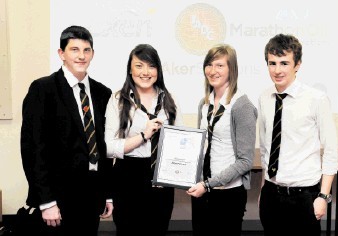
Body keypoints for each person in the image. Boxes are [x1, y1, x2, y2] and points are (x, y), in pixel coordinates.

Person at [20, 25, 113, 236]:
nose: (81, 56)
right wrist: (45, 201)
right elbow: (33, 149)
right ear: (61, 53)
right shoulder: (43, 90)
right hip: (57, 200)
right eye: (74, 50)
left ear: (92, 54)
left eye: (86, 50)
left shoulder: (102, 93)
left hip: (92, 197)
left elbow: (104, 147)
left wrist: (107, 195)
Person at [258, 33, 338, 236]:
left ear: (298, 64)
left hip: (304, 198)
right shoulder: (264, 97)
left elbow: (331, 151)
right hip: (271, 194)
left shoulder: (316, 99)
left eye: (284, 63)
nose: (277, 70)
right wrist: (263, 189)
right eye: (272, 63)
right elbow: (266, 149)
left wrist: (323, 196)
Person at [104, 44, 183, 236]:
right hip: (128, 176)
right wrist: (142, 136)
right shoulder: (118, 100)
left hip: (161, 179)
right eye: (139, 66)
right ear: (130, 70)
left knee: (158, 233)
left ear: (158, 70)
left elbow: (181, 142)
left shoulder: (169, 100)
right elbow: (108, 147)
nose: (145, 72)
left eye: (151, 66)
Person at [186, 44, 258, 236]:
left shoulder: (241, 105)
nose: (212, 70)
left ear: (231, 69)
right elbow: (201, 146)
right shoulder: (205, 103)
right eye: (209, 65)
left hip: (228, 194)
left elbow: (245, 161)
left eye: (219, 65)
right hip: (203, 190)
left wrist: (209, 184)